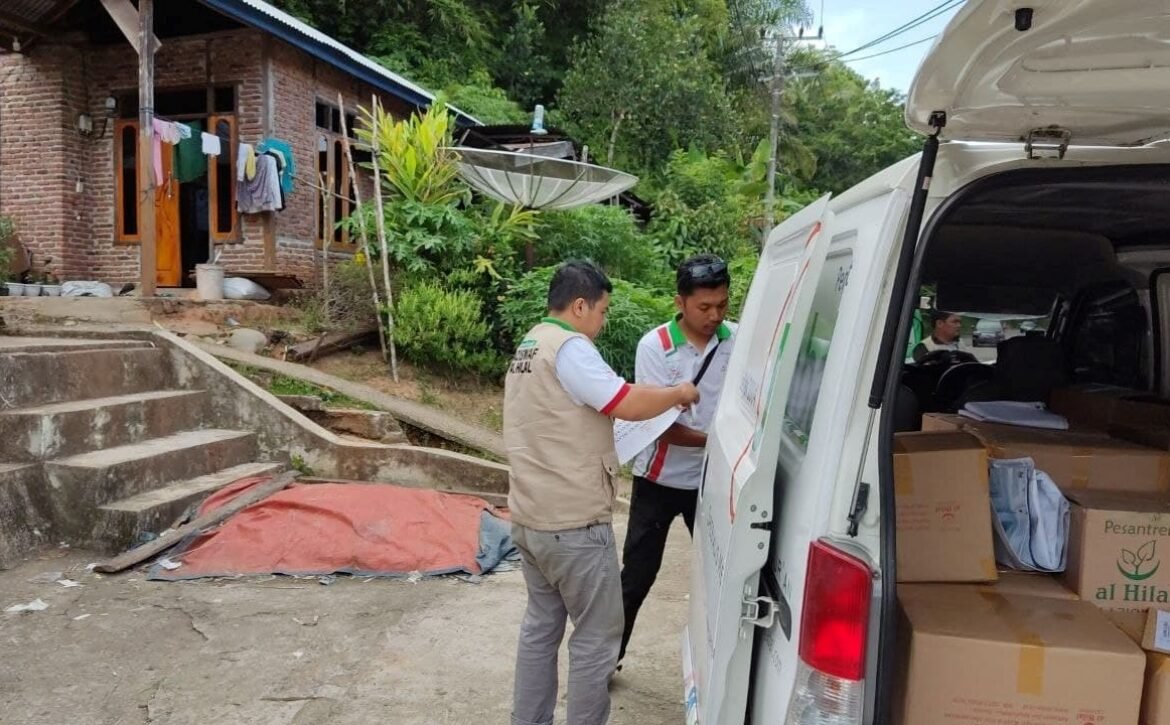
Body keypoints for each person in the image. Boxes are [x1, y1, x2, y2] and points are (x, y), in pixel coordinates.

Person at [504, 260, 700, 725]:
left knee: (540, 629)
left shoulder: (530, 344)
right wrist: (677, 393)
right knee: (596, 639)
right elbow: (622, 401)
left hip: (530, 519)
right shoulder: (570, 348)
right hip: (573, 524)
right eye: (602, 310)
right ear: (579, 306)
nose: (603, 320)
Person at [617, 253, 736, 669]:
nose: (715, 315)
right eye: (704, 307)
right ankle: (607, 658)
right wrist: (719, 441)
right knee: (637, 576)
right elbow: (658, 426)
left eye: (722, 304)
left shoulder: (735, 339)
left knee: (723, 574)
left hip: (711, 482)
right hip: (659, 481)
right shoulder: (656, 347)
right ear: (680, 303)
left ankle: (721, 668)